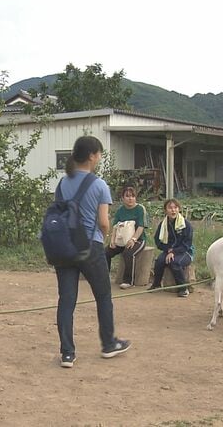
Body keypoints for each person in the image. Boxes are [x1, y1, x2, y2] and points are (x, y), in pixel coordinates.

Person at [53, 135, 131, 368]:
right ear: (91, 156)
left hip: (64, 247)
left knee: (66, 300)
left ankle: (67, 353)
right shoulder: (99, 185)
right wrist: (104, 238)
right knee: (103, 296)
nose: (99, 158)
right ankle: (108, 344)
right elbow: (104, 222)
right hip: (90, 246)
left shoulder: (62, 183)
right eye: (98, 154)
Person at [147, 198, 194, 297]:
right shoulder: (163, 224)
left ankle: (183, 288)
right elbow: (157, 240)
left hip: (185, 252)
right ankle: (156, 284)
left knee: (175, 262)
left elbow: (187, 244)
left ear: (179, 209)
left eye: (175, 207)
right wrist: (167, 249)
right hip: (169, 251)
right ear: (165, 210)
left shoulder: (186, 224)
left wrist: (174, 251)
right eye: (170, 208)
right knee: (159, 261)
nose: (173, 210)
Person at [105, 186, 149, 289]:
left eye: (133, 196)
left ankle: (129, 281)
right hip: (121, 240)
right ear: (123, 198)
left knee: (128, 253)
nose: (130, 199)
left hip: (138, 239)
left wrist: (133, 239)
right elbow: (115, 227)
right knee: (105, 252)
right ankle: (104, 277)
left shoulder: (140, 209)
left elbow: (141, 226)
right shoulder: (120, 210)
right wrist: (112, 241)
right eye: (127, 196)